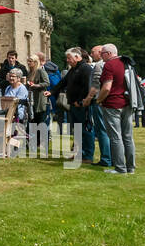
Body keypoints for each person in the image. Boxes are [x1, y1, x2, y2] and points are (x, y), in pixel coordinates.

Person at [96, 43, 135, 175]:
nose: (101, 56)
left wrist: (99, 100)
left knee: (115, 137)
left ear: (108, 54)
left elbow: (107, 87)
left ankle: (120, 168)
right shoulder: (126, 63)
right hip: (128, 103)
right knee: (128, 137)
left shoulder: (109, 65)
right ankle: (130, 167)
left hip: (112, 104)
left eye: (102, 53)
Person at [55, 47, 91, 155]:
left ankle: (87, 155)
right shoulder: (73, 69)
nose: (67, 60)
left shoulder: (86, 68)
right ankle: (77, 153)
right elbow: (63, 82)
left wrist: (80, 101)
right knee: (76, 131)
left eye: (69, 58)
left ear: (77, 57)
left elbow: (87, 87)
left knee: (84, 131)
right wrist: (51, 92)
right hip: (74, 104)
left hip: (81, 105)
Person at [81, 46, 111, 166]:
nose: (91, 54)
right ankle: (111, 157)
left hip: (98, 101)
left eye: (93, 52)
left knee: (101, 131)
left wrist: (89, 98)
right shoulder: (110, 65)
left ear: (100, 52)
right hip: (107, 101)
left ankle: (106, 158)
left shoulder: (99, 65)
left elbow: (96, 85)